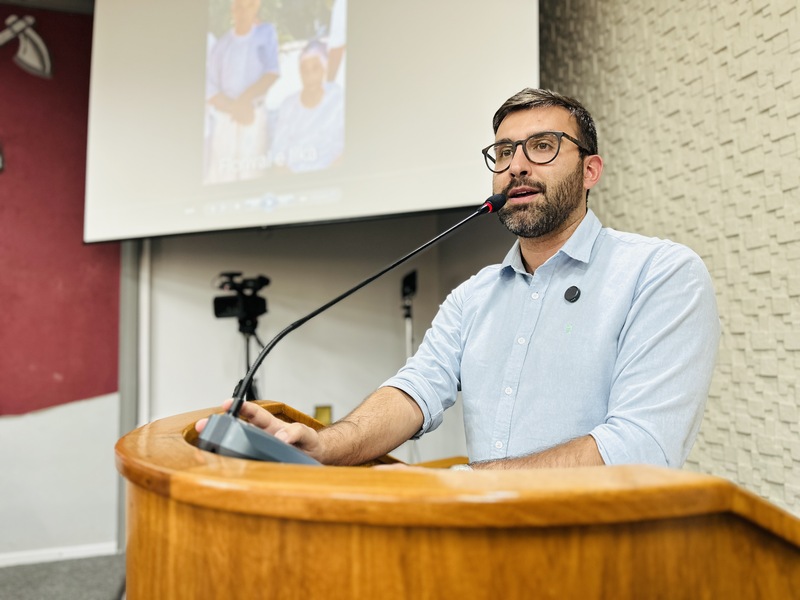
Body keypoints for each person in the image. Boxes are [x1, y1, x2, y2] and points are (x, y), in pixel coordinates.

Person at [198, 88, 720, 470]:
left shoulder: (660, 274)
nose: (517, 166)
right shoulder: (474, 297)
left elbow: (641, 447)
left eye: (542, 146)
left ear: (590, 171)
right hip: (484, 550)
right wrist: (324, 445)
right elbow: (414, 391)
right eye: (505, 151)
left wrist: (471, 484)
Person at [204, 0, 280, 183]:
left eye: (249, 6)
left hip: (254, 116)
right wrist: (235, 108)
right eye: (239, 6)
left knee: (252, 176)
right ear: (232, 9)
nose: (244, 12)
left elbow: (272, 72)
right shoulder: (220, 46)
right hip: (226, 120)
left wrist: (244, 101)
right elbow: (211, 90)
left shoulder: (266, 34)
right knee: (223, 178)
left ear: (257, 7)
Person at [269, 40, 344, 173]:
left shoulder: (338, 98)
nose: (309, 76)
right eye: (305, 70)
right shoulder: (288, 106)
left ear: (324, 69)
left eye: (315, 69)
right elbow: (278, 158)